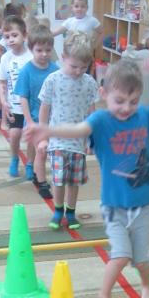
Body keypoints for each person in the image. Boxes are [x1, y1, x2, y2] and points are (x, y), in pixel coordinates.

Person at [25, 58, 149, 298]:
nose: (126, 108)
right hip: (115, 205)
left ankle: (146, 287)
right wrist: (47, 129)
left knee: (143, 259)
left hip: (144, 202)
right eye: (119, 100)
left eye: (133, 101)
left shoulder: (144, 116)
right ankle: (103, 297)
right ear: (104, 93)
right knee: (121, 255)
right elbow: (78, 129)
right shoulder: (101, 120)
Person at [38, 32, 98, 227]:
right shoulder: (53, 80)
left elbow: (92, 113)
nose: (78, 71)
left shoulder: (89, 83)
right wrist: (43, 136)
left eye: (84, 67)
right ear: (63, 57)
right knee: (58, 179)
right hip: (56, 140)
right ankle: (58, 210)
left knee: (73, 181)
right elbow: (44, 108)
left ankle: (71, 212)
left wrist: (92, 139)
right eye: (74, 66)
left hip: (78, 142)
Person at [14, 24, 58, 182]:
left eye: (48, 50)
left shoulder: (55, 69)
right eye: (39, 50)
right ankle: (31, 165)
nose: (44, 54)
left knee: (47, 145)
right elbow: (23, 97)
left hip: (51, 118)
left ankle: (41, 166)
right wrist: (29, 121)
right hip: (32, 116)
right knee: (36, 145)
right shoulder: (26, 70)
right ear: (31, 49)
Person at [0, 15, 31, 177]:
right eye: (7, 37)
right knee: (14, 134)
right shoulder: (6, 58)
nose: (10, 39)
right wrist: (4, 102)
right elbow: (2, 82)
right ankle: (14, 158)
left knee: (31, 137)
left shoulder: (31, 56)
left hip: (31, 105)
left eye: (14, 35)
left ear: (24, 35)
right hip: (14, 105)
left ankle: (30, 163)